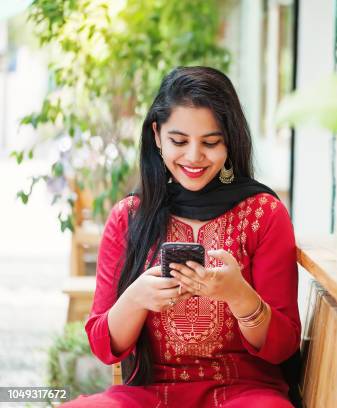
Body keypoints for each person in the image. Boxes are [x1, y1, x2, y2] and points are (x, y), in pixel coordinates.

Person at [61, 67, 301, 407]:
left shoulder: (262, 214)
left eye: (210, 142)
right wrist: (136, 298)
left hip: (243, 391)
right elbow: (104, 347)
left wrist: (240, 296)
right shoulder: (130, 217)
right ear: (157, 135)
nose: (193, 156)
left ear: (229, 140)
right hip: (146, 394)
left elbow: (283, 346)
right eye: (179, 141)